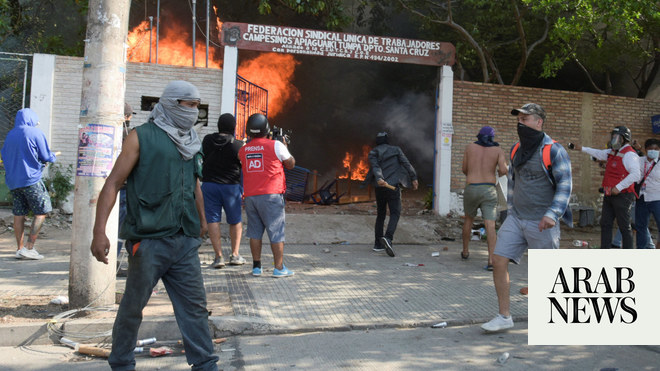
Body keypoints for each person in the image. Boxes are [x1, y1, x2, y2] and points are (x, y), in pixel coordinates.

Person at [90, 81, 219, 371]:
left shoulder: (192, 140)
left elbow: (196, 185)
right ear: (173, 103)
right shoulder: (140, 137)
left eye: (198, 106)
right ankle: (121, 363)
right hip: (147, 241)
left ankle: (206, 365)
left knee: (195, 309)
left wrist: (203, 222)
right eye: (190, 105)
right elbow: (112, 183)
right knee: (133, 308)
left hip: (185, 240)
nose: (194, 111)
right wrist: (99, 232)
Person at [481, 103, 572, 332]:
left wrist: (552, 214)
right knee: (498, 260)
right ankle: (504, 316)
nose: (520, 123)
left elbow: (565, 185)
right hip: (517, 217)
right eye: (519, 120)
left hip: (542, 221)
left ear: (539, 122)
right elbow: (513, 181)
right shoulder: (515, 149)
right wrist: (510, 210)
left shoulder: (554, 150)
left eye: (525, 119)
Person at [239, 113, 295, 277]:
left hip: (250, 196)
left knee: (255, 232)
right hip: (271, 196)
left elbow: (242, 160)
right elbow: (290, 164)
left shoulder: (243, 150)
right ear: (267, 129)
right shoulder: (276, 146)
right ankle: (279, 268)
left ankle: (256, 267)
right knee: (276, 231)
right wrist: (284, 145)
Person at [570, 126, 640, 249]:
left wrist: (618, 187)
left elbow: (636, 174)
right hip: (609, 194)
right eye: (613, 137)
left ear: (624, 139)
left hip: (623, 195)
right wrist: (581, 148)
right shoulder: (613, 152)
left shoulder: (629, 154)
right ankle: (605, 250)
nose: (613, 139)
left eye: (616, 137)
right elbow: (598, 153)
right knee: (605, 223)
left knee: (624, 226)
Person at [1, 108, 57, 260]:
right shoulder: (35, 133)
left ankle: (19, 249)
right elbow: (46, 155)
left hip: (13, 182)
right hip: (31, 180)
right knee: (41, 211)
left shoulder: (10, 134)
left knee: (19, 213)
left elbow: (6, 155)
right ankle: (29, 247)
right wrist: (50, 158)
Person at [201, 113, 246, 268]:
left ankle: (218, 257)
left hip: (209, 185)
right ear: (233, 127)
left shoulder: (207, 140)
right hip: (231, 187)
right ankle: (234, 255)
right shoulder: (238, 145)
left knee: (213, 219)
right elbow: (244, 165)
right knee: (235, 220)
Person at [461, 126, 508, 270]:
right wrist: (497, 173)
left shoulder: (470, 147)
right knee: (490, 225)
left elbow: (464, 169)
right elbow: (504, 170)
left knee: (469, 219)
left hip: (472, 187)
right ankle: (491, 260)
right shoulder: (498, 150)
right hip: (489, 189)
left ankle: (465, 251)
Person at [365, 132, 418, 257]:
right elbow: (406, 164)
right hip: (393, 186)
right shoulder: (396, 150)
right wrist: (414, 178)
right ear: (387, 141)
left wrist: (379, 178)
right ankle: (388, 238)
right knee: (395, 213)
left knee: (381, 214)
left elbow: (375, 166)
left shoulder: (373, 152)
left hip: (380, 186)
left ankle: (378, 244)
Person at [634, 138, 660, 249]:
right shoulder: (639, 160)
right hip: (642, 198)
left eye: (656, 149)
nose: (653, 151)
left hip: (657, 198)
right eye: (650, 149)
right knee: (640, 227)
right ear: (645, 150)